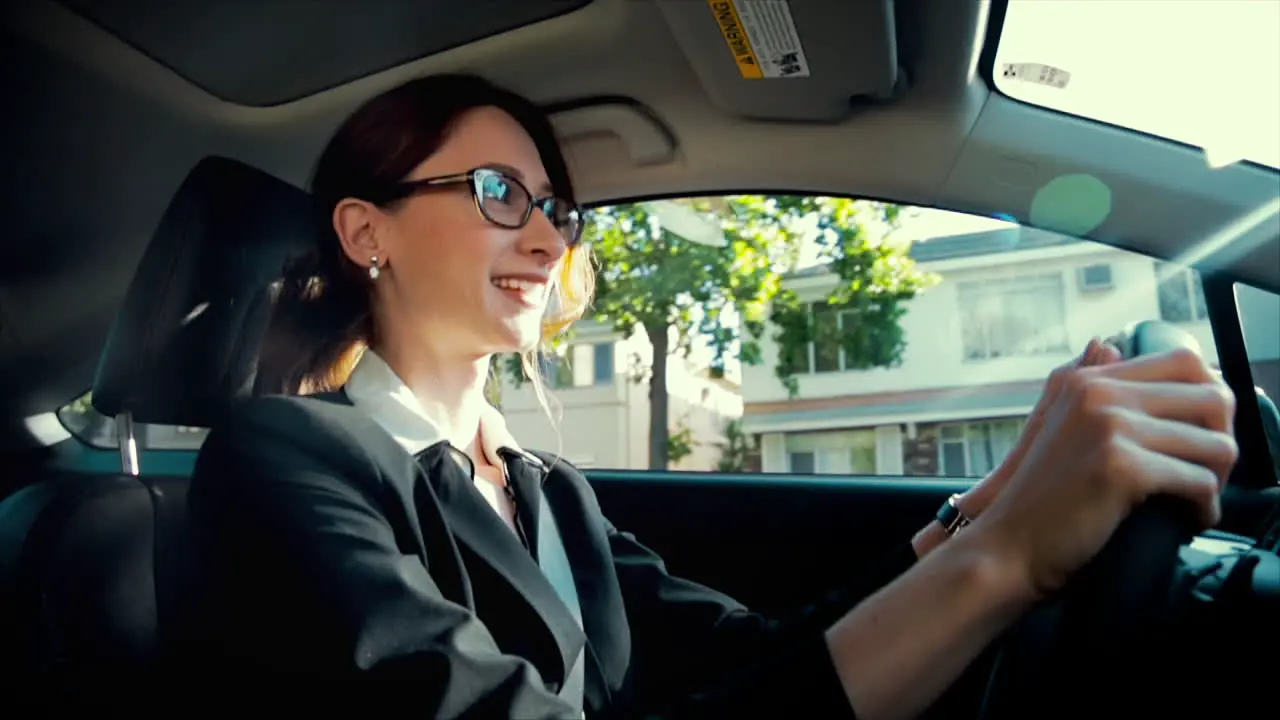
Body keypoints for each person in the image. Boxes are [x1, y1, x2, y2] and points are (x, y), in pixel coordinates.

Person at [187, 74, 1239, 719]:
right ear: (366, 233)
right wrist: (1003, 564)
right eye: (499, 194)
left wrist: (986, 515)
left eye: (555, 207)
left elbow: (756, 662)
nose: (550, 238)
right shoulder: (282, 458)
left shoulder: (546, 490)